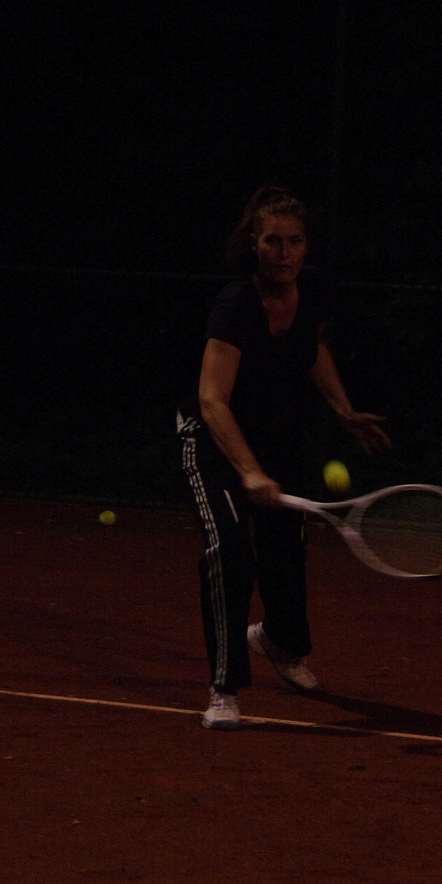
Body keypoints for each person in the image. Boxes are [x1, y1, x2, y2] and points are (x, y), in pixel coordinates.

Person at [177, 185, 391, 729]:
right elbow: (212, 400)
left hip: (277, 437)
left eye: (294, 241)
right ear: (254, 243)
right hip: (213, 439)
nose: (284, 252)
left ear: (305, 246)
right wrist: (248, 470)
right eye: (273, 240)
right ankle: (224, 689)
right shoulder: (235, 305)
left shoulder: (312, 289)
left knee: (285, 553)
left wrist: (343, 410)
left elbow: (312, 350)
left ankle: (279, 640)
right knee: (229, 552)